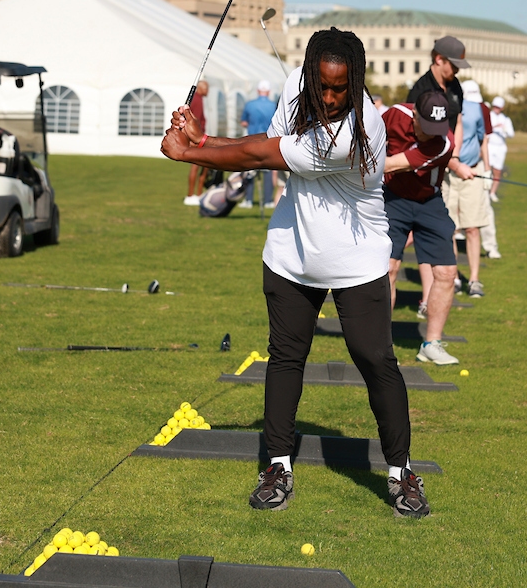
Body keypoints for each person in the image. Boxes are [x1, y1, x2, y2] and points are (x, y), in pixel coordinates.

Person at [161, 27, 429, 519]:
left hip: (357, 259)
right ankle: (278, 464)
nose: (329, 98)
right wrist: (205, 136)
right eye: (321, 86)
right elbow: (270, 140)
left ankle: (400, 471)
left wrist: (191, 152)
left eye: (340, 88)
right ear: (308, 76)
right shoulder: (294, 88)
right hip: (292, 253)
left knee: (376, 360)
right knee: (285, 358)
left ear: (356, 82)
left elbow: (265, 157)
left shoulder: (359, 131)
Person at [382, 91, 461, 366]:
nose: (430, 134)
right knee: (387, 268)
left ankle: (432, 344)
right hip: (393, 199)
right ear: (414, 115)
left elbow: (391, 164)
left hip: (429, 201)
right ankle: (379, 344)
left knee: (447, 273)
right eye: (426, 128)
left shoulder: (443, 142)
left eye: (436, 129)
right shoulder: (394, 114)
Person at [405, 36, 475, 306]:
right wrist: (452, 162)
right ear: (438, 59)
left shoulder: (455, 86)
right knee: (422, 232)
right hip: (425, 168)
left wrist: (454, 157)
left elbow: (456, 123)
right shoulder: (420, 90)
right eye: (453, 65)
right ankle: (425, 297)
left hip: (447, 162)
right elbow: (418, 137)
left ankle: (432, 295)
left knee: (439, 231)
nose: (456, 71)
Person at [444, 80, 490, 297]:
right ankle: (453, 278)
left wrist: (487, 170)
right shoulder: (444, 106)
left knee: (472, 228)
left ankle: (474, 280)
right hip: (447, 174)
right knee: (449, 228)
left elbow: (483, 141)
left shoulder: (476, 108)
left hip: (472, 171)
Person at [480, 96, 515, 258]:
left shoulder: (505, 119)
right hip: (486, 151)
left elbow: (511, 134)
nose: (496, 109)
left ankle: (491, 247)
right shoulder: (487, 116)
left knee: (497, 173)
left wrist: (503, 128)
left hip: (499, 148)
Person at [239, 80, 279, 208]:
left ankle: (248, 200)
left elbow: (244, 122)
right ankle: (268, 201)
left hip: (252, 140)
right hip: (267, 141)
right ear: (268, 91)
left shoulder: (250, 104)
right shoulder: (273, 105)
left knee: (249, 170)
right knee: (267, 171)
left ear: (258, 90)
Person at [183, 80, 210, 206]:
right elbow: (197, 120)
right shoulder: (198, 101)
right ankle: (190, 195)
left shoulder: (197, 99)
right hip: (196, 137)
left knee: (201, 165)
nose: (208, 91)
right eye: (206, 88)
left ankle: (197, 194)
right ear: (201, 88)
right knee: (196, 165)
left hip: (196, 136)